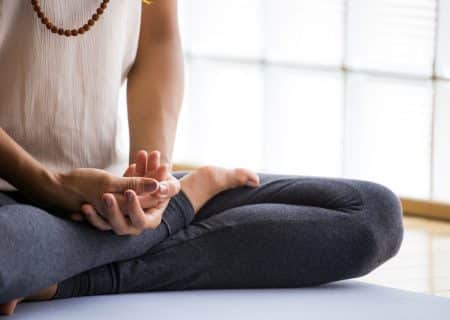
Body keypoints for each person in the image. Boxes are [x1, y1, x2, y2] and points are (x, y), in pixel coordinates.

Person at [0, 0, 404, 315]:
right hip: (12, 193)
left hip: (104, 193)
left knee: (371, 215)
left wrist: (151, 186)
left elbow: (158, 40)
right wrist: (50, 187)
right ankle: (186, 203)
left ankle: (53, 276)